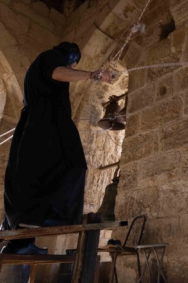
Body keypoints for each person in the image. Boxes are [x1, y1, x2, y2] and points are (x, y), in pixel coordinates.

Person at [1, 42, 112, 254]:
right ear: (70, 56)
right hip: (47, 121)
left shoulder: (38, 66)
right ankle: (51, 218)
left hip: (36, 122)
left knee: (34, 173)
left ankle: (25, 238)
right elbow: (57, 73)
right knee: (73, 164)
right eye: (74, 63)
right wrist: (92, 75)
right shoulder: (51, 57)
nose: (73, 67)